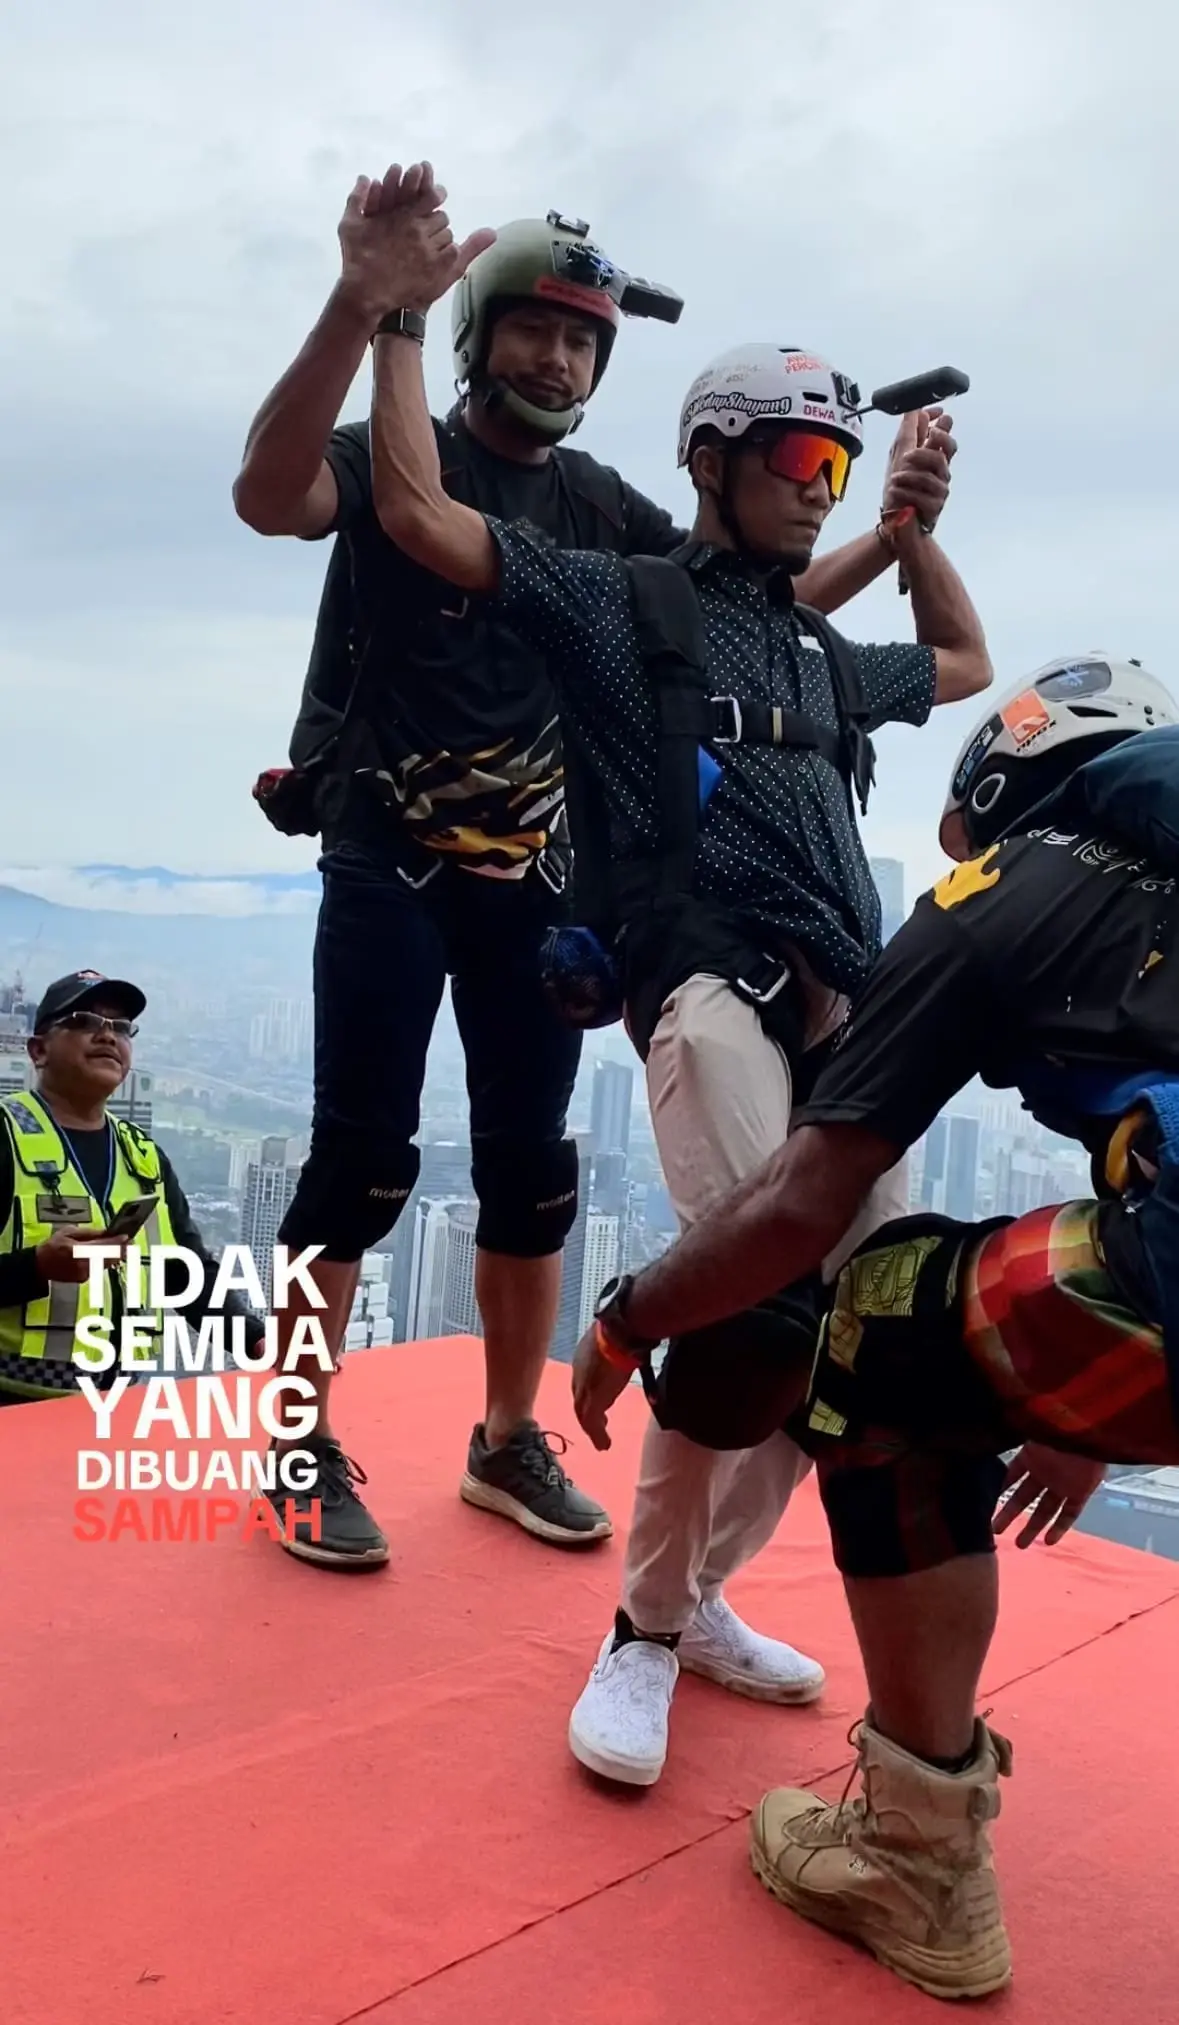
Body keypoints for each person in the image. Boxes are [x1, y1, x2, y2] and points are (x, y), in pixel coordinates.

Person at [361, 170, 992, 1779]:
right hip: (705, 986)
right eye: (795, 456)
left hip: (848, 1002)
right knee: (750, 1300)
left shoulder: (804, 646)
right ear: (708, 457)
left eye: (834, 460)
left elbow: (963, 666)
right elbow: (424, 519)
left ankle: (694, 1597)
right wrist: (391, 320)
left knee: (871, 1325)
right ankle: (636, 1638)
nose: (818, 483)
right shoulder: (617, 596)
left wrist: (907, 535)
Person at [232, 163, 938, 1571]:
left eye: (582, 340)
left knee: (529, 1172)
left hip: (535, 884)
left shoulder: (609, 511)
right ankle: (299, 1440)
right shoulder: (395, 446)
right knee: (358, 1165)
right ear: (476, 329)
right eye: (533, 328)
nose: (556, 358)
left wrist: (885, 530)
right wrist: (361, 305)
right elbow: (265, 495)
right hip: (386, 854)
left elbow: (749, 608)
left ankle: (502, 1437)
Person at [570, 658, 1179, 1999]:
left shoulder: (995, 896)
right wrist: (1065, 1401)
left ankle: (912, 1853)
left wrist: (624, 1316)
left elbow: (798, 1215)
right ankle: (659, 1623)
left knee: (877, 1320)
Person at [0, 972, 264, 1401]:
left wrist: (257, 1339)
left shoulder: (142, 1157)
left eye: (121, 1028)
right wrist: (35, 1268)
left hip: (118, 1412)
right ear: (38, 1050)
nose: (107, 1035)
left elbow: (184, 1272)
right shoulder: (4, 1137)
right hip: (12, 1412)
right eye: (85, 1021)